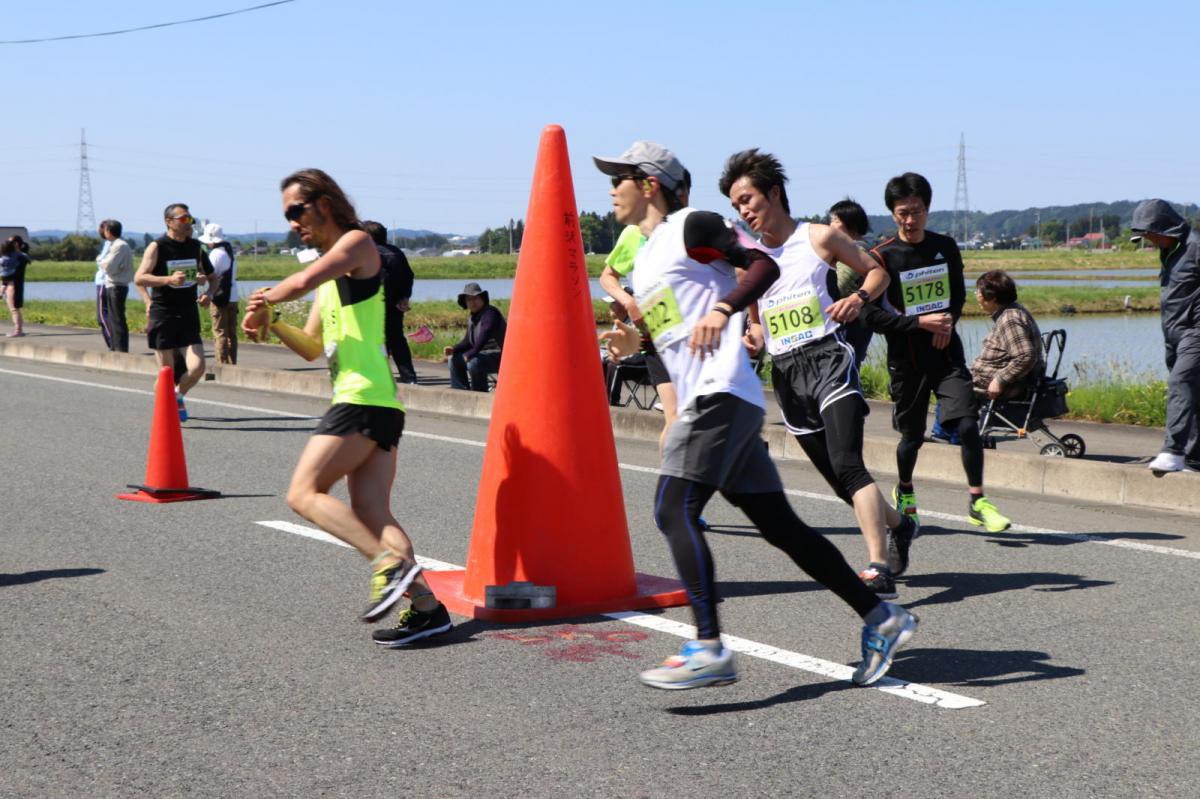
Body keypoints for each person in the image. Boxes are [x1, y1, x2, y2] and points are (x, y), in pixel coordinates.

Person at [594, 140, 916, 690]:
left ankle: (709, 646)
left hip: (720, 396)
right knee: (782, 527)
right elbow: (671, 325)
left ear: (649, 184)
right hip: (719, 399)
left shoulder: (692, 224)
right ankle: (881, 615)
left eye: (619, 178)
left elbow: (763, 263)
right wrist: (631, 340)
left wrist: (725, 310)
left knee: (673, 509)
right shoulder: (645, 258)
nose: (610, 189)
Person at [240, 168, 452, 645]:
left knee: (302, 494)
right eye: (287, 216)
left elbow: (299, 280)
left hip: (361, 398)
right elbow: (312, 347)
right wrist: (272, 322)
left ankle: (387, 565)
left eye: (297, 211)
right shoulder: (332, 276)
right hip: (376, 403)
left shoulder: (356, 244)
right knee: (374, 512)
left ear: (325, 204)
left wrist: (264, 298)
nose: (293, 222)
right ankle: (427, 608)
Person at [719, 149, 923, 599]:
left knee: (850, 466)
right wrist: (754, 333)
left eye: (747, 198)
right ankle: (901, 525)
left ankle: (877, 566)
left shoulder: (819, 237)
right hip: (788, 377)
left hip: (830, 359)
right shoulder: (748, 258)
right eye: (735, 206)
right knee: (839, 483)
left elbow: (876, 274)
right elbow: (755, 314)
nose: (743, 210)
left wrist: (859, 300)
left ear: (773, 193)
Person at [867, 172, 1011, 532]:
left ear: (927, 210)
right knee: (912, 438)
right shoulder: (882, 257)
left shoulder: (945, 247)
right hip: (907, 361)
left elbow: (957, 296)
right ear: (893, 213)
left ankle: (978, 500)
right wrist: (920, 325)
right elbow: (870, 315)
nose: (910, 220)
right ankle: (905, 491)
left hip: (946, 354)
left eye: (916, 211)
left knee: (967, 425)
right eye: (902, 212)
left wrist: (947, 321)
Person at [598, 170, 692, 446]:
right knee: (673, 417)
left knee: (693, 418)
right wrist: (628, 302)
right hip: (656, 335)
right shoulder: (633, 233)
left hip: (693, 338)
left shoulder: (692, 228)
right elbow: (607, 276)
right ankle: (672, 484)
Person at [1130, 199, 1200, 474]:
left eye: (1150, 234)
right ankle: (1195, 460)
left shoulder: (1195, 246)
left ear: (1165, 227)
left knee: (1180, 383)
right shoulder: (1169, 251)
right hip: (1173, 333)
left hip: (1195, 332)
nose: (1149, 241)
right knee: (1193, 395)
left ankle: (1173, 451)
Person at [134, 204, 213, 422]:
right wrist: (167, 281)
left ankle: (177, 397)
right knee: (166, 372)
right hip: (163, 313)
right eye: (184, 219)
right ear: (169, 222)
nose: (189, 223)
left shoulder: (196, 247)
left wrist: (209, 292)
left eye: (191, 219)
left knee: (198, 367)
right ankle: (164, 411)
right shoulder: (157, 246)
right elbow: (140, 277)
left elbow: (213, 278)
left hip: (188, 313)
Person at [971, 270, 1044, 401]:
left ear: (992, 297)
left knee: (949, 392)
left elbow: (1025, 355)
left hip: (998, 385)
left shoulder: (1010, 319)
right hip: (994, 380)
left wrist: (999, 380)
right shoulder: (1013, 311)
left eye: (978, 291)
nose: (976, 295)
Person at [362, 221, 417, 383]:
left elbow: (377, 281)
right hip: (397, 305)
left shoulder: (372, 253)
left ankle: (378, 376)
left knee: (376, 342)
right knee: (397, 340)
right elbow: (409, 276)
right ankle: (409, 377)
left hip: (376, 305)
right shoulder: (397, 252)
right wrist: (405, 297)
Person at [828, 199, 875, 366]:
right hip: (851, 331)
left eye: (835, 221)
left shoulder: (857, 251)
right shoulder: (851, 250)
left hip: (848, 332)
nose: (830, 226)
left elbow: (838, 288)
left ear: (850, 223)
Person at [443, 282, 505, 391]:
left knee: (474, 362)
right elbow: (467, 341)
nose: (473, 302)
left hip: (499, 355)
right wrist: (454, 349)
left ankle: (479, 393)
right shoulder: (472, 317)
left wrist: (470, 353)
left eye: (476, 298)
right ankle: (460, 392)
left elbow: (485, 334)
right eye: (469, 300)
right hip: (480, 354)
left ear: (482, 299)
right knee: (453, 359)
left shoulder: (490, 314)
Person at [198, 223, 239, 365]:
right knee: (231, 334)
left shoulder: (215, 254)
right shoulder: (229, 252)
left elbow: (210, 276)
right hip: (233, 296)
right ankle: (232, 363)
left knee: (220, 332)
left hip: (220, 297)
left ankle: (222, 365)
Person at [97, 220, 133, 352]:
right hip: (113, 284)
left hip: (117, 285)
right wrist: (103, 262)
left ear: (109, 231)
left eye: (105, 229)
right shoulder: (115, 245)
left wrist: (100, 261)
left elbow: (109, 267)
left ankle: (121, 349)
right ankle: (115, 347)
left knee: (117, 318)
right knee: (113, 318)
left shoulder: (120, 245)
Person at [0, 235, 30, 337]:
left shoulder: (20, 257)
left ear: (16, 244)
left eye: (9, 242)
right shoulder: (15, 256)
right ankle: (18, 330)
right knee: (13, 309)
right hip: (9, 284)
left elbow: (14, 273)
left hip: (14, 285)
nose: (7, 244)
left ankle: (18, 331)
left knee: (14, 309)